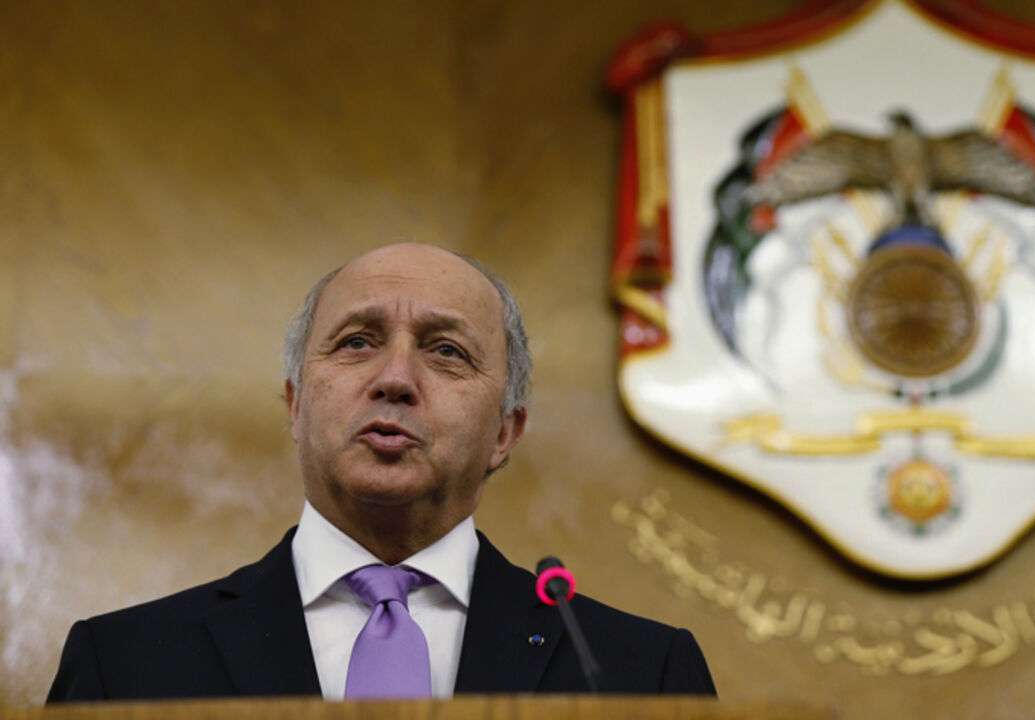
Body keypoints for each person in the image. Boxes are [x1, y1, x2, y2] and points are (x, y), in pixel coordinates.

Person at [46, 243, 716, 702]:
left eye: (446, 351)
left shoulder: (639, 675)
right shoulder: (125, 664)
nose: (395, 378)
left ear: (504, 432)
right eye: (357, 341)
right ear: (296, 405)